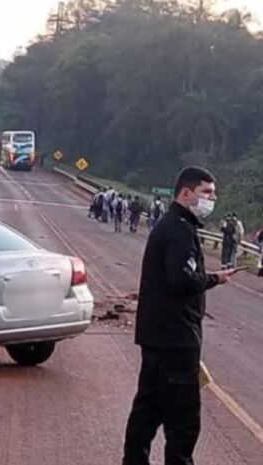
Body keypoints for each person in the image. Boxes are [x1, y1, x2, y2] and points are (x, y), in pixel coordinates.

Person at [122, 167, 234, 465]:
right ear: (186, 193)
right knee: (183, 423)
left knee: (148, 410)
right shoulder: (179, 230)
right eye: (207, 193)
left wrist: (210, 276)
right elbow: (181, 280)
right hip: (175, 340)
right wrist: (213, 279)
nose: (212, 199)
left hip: (158, 336)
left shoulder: (172, 226)